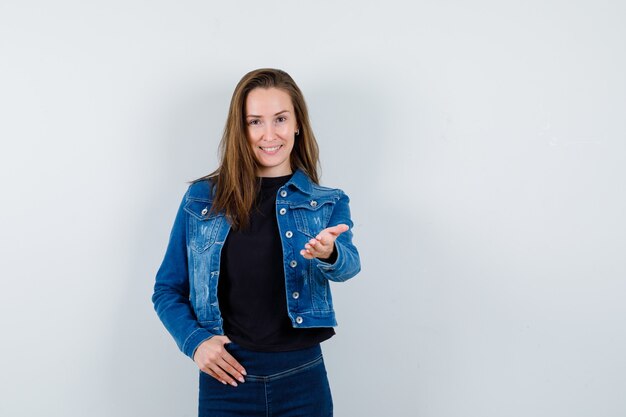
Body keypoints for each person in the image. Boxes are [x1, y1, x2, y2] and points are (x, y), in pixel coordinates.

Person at [152, 68, 361, 417]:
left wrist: (331, 252)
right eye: (255, 122)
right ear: (241, 128)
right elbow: (167, 289)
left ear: (297, 123)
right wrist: (195, 342)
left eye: (280, 119)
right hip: (227, 378)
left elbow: (349, 264)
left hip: (302, 379)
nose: (269, 134)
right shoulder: (203, 198)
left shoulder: (327, 202)